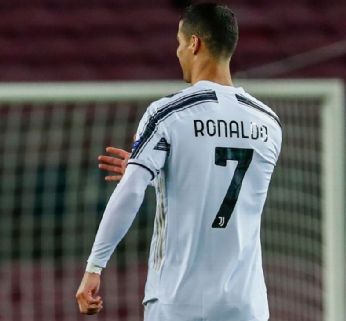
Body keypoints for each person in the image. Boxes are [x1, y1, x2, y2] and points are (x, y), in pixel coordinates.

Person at [76, 3, 282, 321]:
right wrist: (161, 172)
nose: (177, 52)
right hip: (246, 303)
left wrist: (94, 266)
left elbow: (130, 193)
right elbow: (222, 184)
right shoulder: (267, 123)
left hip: (180, 299)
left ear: (194, 43)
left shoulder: (170, 113)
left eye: (178, 42)